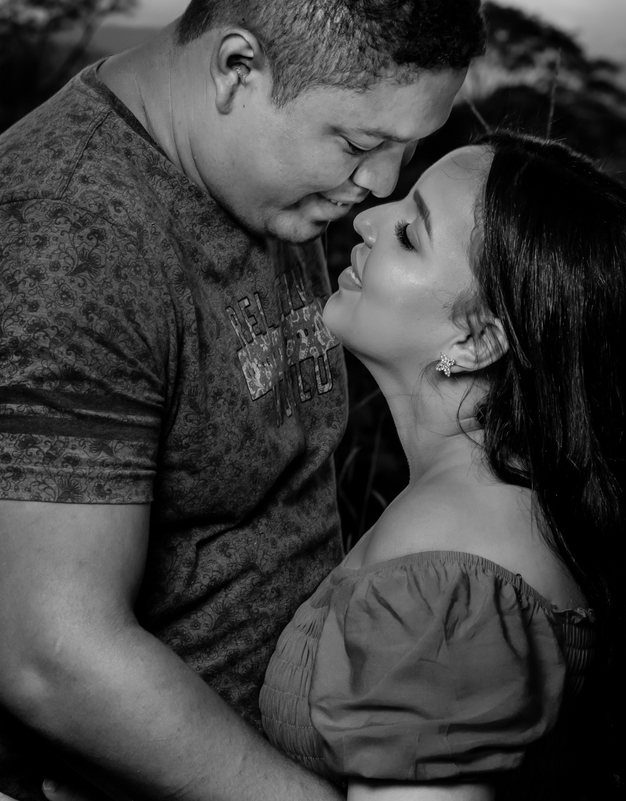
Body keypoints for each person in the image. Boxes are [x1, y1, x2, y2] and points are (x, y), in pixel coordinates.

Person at [0, 1, 484, 800]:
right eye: (362, 144)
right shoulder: (65, 235)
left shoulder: (264, 179)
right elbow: (50, 657)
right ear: (237, 69)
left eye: (408, 148)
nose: (381, 186)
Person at [255, 132, 626, 800]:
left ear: (478, 340)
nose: (366, 219)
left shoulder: (447, 571)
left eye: (409, 235)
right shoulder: (527, 507)